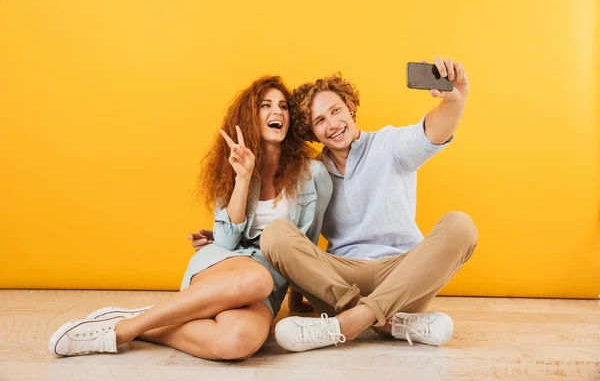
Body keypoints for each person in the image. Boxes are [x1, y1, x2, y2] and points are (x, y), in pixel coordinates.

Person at [47, 76, 332, 359]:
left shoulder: (314, 175)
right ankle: (121, 332)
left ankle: (146, 323)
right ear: (250, 117)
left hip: (270, 280)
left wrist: (296, 298)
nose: (276, 112)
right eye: (265, 105)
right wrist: (243, 178)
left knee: (237, 342)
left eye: (283, 107)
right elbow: (226, 240)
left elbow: (305, 245)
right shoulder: (233, 166)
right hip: (226, 265)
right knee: (256, 279)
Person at [260, 57, 479, 352]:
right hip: (340, 281)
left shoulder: (390, 144)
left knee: (461, 226)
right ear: (311, 132)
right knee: (274, 234)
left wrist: (455, 101)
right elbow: (297, 234)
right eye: (320, 120)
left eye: (336, 111)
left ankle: (351, 322)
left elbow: (433, 131)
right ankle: (388, 322)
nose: (333, 124)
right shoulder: (311, 173)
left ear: (350, 107)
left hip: (402, 276)